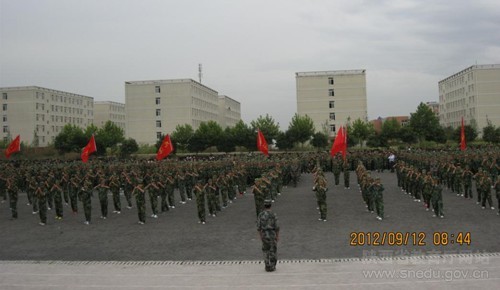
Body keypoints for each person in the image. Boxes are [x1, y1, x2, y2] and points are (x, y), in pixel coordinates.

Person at [256, 199, 280, 272]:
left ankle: (267, 265)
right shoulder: (273, 214)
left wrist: (260, 236)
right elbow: (277, 227)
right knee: (273, 250)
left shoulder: (261, 214)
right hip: (272, 234)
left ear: (264, 205)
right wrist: (277, 236)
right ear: (270, 205)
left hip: (264, 233)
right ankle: (272, 266)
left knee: (266, 250)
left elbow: (258, 227)